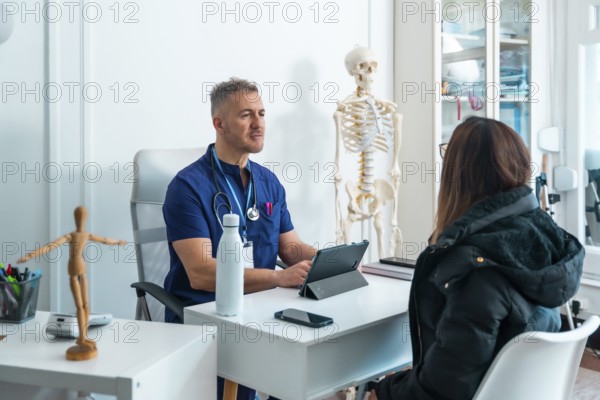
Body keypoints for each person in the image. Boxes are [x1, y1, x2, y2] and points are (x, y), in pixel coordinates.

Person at [370, 117, 584, 399]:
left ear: (458, 175)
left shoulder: (474, 267)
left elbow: (445, 386)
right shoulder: (543, 235)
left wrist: (384, 392)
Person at [163, 78, 316, 399]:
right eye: (246, 115)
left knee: (309, 372)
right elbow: (201, 273)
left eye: (261, 113)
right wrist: (278, 278)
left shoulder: (268, 182)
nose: (258, 123)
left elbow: (290, 248)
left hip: (259, 311)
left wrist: (328, 260)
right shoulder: (187, 187)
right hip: (204, 318)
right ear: (218, 123)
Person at [17, 206, 126, 361]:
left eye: (83, 216)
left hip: (82, 269)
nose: (82, 219)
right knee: (80, 306)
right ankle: (81, 338)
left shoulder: (85, 235)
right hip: (74, 270)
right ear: (77, 218)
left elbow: (105, 240)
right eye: (80, 216)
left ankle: (84, 336)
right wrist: (29, 256)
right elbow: (50, 246)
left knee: (86, 305)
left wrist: (118, 242)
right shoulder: (71, 236)